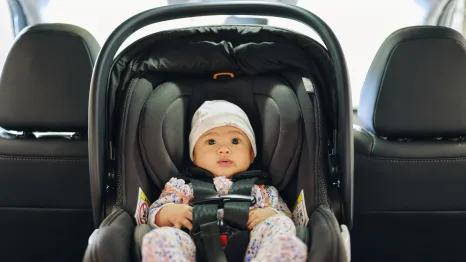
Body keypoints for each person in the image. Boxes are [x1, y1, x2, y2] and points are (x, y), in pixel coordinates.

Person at [142, 100, 307, 262]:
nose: (223, 149)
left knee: (280, 226)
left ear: (251, 155)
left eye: (235, 141)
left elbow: (286, 217)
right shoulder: (182, 188)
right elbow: (154, 213)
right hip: (193, 246)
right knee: (163, 237)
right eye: (211, 141)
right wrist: (169, 212)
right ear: (194, 156)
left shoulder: (264, 191)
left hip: (251, 247)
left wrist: (270, 214)